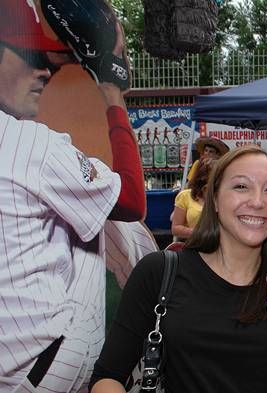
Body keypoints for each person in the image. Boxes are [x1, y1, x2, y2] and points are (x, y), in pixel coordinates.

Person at [90, 145, 267, 393]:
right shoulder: (160, 272)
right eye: (241, 186)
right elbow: (107, 377)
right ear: (214, 199)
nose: (257, 201)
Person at [0, 3, 148, 392]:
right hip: (42, 370)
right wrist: (113, 93)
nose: (46, 71)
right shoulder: (28, 143)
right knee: (102, 221)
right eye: (30, 57)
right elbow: (132, 199)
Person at [171, 159, 214, 241]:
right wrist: (200, 233)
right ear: (204, 177)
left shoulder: (223, 197)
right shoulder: (185, 196)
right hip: (193, 246)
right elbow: (175, 229)